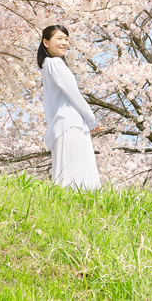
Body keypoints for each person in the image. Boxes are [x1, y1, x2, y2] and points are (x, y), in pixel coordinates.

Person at [37, 24, 102, 190]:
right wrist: (92, 120)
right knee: (77, 172)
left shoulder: (49, 65)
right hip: (70, 123)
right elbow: (73, 94)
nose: (64, 43)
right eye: (59, 38)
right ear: (46, 42)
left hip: (65, 123)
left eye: (66, 39)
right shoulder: (54, 63)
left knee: (69, 172)